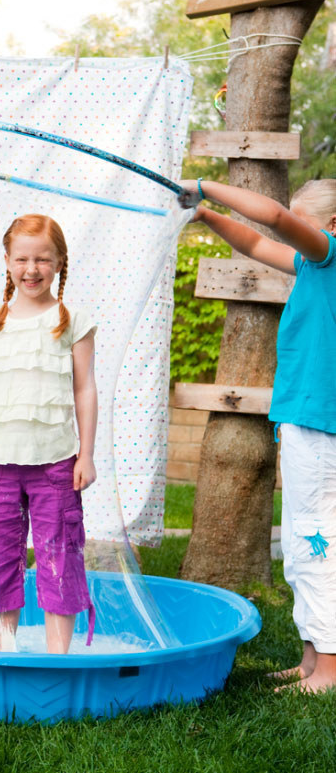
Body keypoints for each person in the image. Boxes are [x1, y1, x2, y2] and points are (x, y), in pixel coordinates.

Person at [181, 177, 336, 693]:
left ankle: (331, 672)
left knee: (320, 546)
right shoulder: (313, 267)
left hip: (320, 429)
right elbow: (253, 242)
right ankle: (313, 659)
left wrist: (204, 184)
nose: (295, 234)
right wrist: (205, 215)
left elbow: (270, 219)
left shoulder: (331, 255)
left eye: (303, 223)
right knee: (302, 543)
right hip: (304, 426)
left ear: (331, 226)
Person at [0, 213, 98, 654]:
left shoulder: (70, 320)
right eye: (22, 259)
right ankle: (4, 650)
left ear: (59, 263)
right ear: (7, 262)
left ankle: (58, 657)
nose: (31, 269)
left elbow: (85, 389)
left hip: (55, 462)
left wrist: (86, 455)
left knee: (59, 557)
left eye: (42, 259)